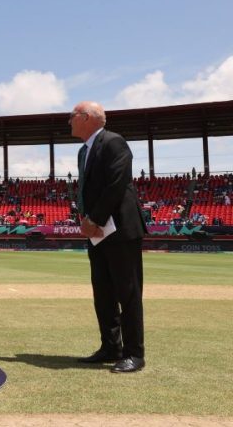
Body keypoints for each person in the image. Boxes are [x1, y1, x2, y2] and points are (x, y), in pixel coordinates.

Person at [70, 101, 148, 373]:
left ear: (87, 118)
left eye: (73, 116)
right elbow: (86, 189)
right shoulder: (84, 151)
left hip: (121, 229)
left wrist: (94, 219)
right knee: (102, 292)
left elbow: (117, 183)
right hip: (98, 232)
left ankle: (134, 354)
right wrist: (86, 219)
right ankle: (110, 347)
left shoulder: (114, 141)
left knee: (128, 293)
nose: (69, 121)